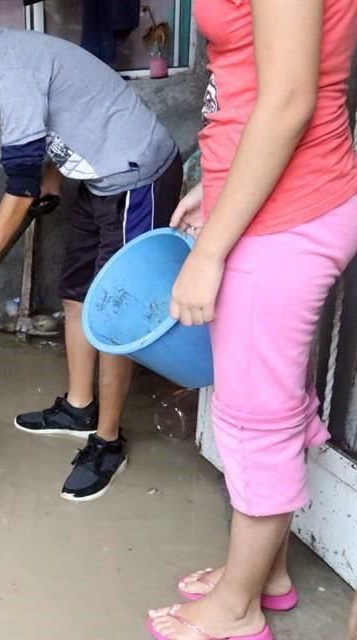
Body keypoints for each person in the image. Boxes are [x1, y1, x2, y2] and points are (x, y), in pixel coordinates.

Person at [0, 0, 182, 502]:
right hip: (99, 179)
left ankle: (107, 441)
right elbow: (70, 114)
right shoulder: (3, 61)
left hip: (136, 178)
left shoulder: (10, 70)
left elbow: (18, 189)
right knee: (76, 293)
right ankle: (80, 407)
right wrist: (52, 174)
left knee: (115, 314)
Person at [146, 1, 357, 639]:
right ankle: (266, 573)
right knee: (268, 402)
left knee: (254, 420)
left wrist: (208, 253)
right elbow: (252, 75)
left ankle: (237, 609)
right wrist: (216, 187)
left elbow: (289, 99)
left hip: (286, 213)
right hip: (272, 199)